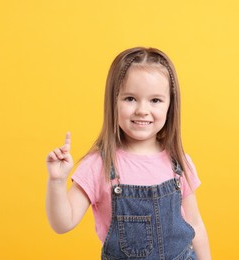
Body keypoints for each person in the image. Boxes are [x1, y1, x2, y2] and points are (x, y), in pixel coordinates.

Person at [45, 47, 211, 259]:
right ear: (113, 101)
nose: (142, 109)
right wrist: (56, 181)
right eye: (130, 98)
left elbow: (195, 223)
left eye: (155, 100)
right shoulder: (99, 165)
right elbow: (63, 223)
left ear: (170, 105)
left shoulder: (178, 161)